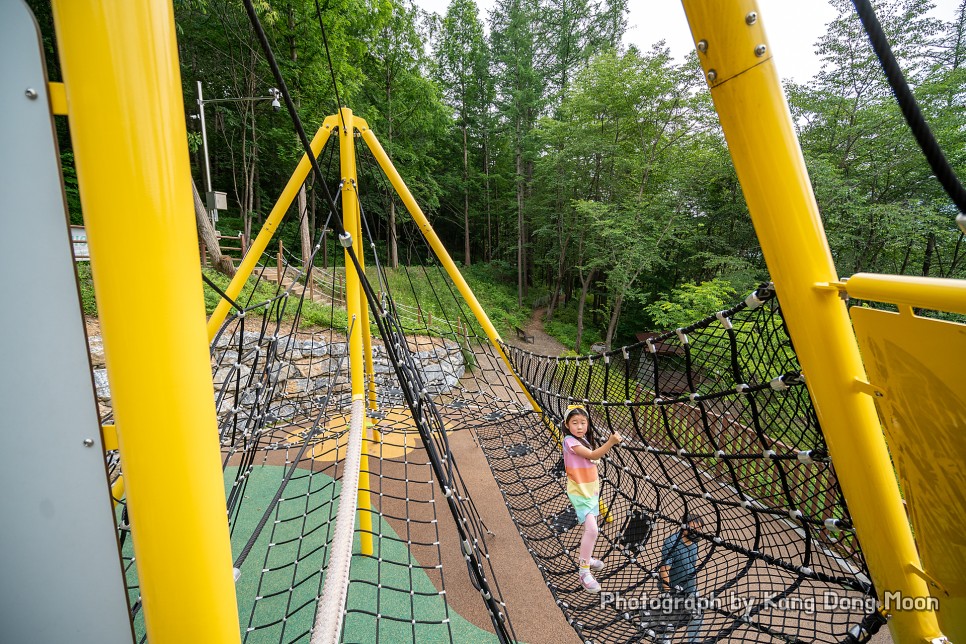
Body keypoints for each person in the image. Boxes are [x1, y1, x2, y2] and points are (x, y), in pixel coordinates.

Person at [561, 405, 622, 593]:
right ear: (567, 425)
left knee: (591, 529)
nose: (579, 426)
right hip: (580, 493)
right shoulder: (570, 441)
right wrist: (611, 441)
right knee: (593, 530)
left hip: (590, 491)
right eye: (575, 423)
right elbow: (594, 455)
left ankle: (587, 558)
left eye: (583, 423)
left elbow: (591, 458)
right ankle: (583, 571)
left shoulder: (583, 440)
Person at [658, 513, 704, 642]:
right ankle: (663, 639)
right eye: (693, 529)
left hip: (689, 588)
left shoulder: (694, 542)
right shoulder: (672, 543)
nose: (697, 532)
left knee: (697, 615)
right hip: (673, 588)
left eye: (699, 529)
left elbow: (691, 565)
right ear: (683, 528)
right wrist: (669, 593)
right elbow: (664, 570)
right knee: (669, 618)